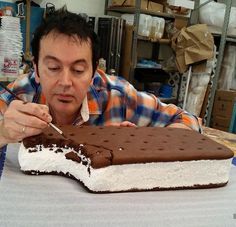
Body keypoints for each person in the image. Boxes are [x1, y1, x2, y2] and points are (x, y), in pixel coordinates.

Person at [0, 7, 202, 149]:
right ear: (35, 67)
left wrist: (140, 139)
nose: (65, 82)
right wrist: (3, 133)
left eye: (78, 70)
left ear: (94, 71)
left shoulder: (117, 95)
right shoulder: (20, 94)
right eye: (53, 67)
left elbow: (189, 120)